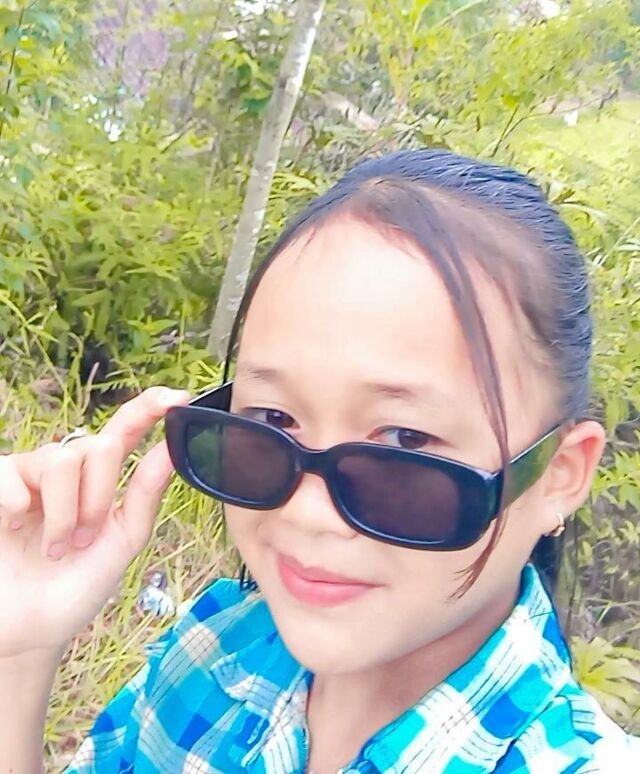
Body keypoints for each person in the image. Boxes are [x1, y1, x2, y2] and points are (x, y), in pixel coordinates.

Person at [0, 150, 638, 774]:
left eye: (404, 442)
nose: (306, 513)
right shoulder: (218, 650)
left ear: (559, 476)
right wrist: (21, 655)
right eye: (273, 419)